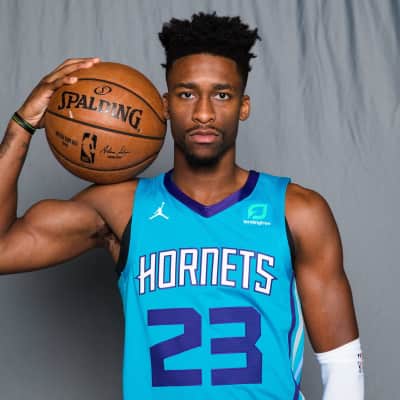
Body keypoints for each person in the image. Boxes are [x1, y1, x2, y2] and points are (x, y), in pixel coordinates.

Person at [0, 12, 364, 400]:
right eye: (187, 94)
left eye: (222, 95)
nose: (203, 113)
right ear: (165, 105)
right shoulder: (121, 208)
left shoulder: (296, 211)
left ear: (243, 106)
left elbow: (342, 365)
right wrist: (22, 125)